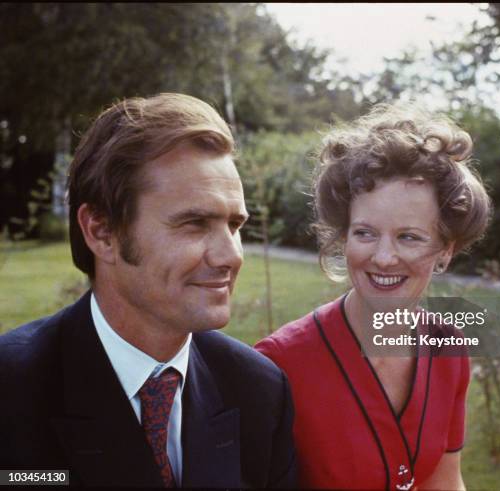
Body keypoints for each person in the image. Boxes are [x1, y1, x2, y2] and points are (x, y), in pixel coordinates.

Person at [0, 93, 296, 488]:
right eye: (194, 223)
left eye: (234, 225)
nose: (230, 255)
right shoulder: (11, 392)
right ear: (101, 231)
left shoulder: (258, 390)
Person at [255, 103, 491, 490]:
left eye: (409, 237)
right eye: (365, 233)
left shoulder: (449, 347)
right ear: (343, 235)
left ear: (445, 249)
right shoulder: (278, 366)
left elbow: (445, 483)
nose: (382, 257)